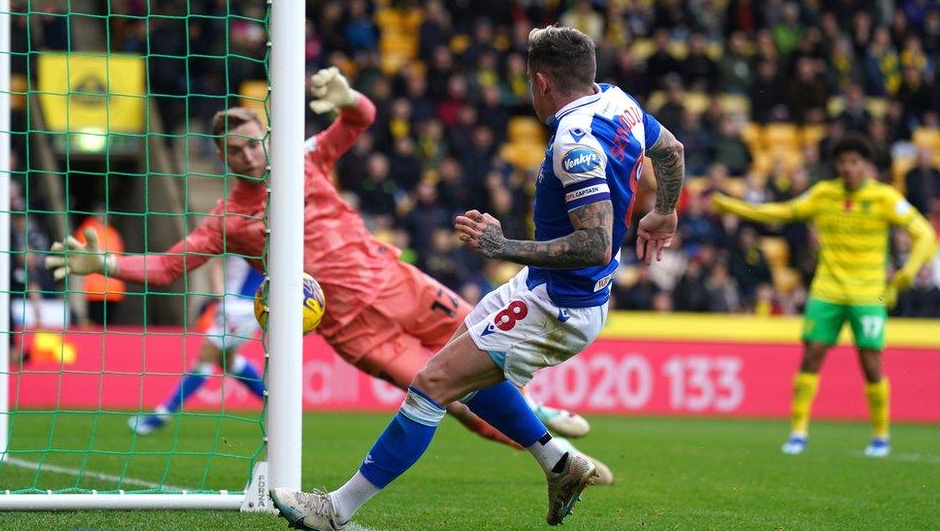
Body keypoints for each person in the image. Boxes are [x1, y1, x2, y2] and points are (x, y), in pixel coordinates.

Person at [45, 67, 593, 449]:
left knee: (484, 346)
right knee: (456, 403)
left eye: (252, 141)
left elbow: (359, 121)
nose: (246, 153)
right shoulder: (225, 221)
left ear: (266, 137)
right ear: (220, 157)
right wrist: (107, 266)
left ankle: (539, 414)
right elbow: (169, 266)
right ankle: (553, 454)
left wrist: (349, 98)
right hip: (352, 330)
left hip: (395, 281)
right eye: (233, 150)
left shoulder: (303, 159)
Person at [269, 26, 684, 530]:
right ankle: (560, 463)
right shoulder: (620, 103)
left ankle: (334, 511)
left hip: (558, 304)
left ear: (541, 82)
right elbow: (673, 151)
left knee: (430, 385)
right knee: (460, 373)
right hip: (543, 289)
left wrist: (500, 246)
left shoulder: (575, 142)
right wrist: (664, 211)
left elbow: (595, 243)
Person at [712, 135, 937, 458]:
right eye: (843, 162)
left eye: (855, 162)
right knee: (811, 355)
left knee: (871, 363)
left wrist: (907, 272)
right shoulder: (824, 194)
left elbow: (925, 234)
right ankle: (799, 432)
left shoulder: (885, 198)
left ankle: (881, 436)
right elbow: (783, 211)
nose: (848, 168)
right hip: (827, 290)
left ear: (867, 166)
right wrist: (734, 205)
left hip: (868, 295)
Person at [127, 255, 266, 434]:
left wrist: (220, 289)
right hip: (243, 306)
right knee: (227, 361)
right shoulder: (259, 234)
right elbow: (218, 261)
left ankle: (162, 414)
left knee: (204, 359)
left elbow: (218, 261)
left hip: (238, 308)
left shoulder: (247, 232)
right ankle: (275, 406)